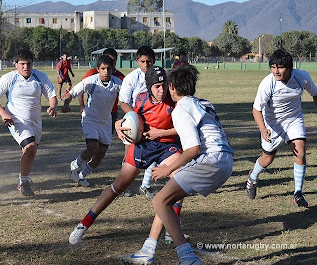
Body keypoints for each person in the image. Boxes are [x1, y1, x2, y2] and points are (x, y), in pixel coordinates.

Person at [122, 64, 233, 265]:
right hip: (226, 160)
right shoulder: (204, 103)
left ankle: (187, 257)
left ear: (171, 87)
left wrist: (168, 168)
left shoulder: (180, 109)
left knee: (159, 201)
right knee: (166, 198)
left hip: (210, 161)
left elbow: (194, 149)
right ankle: (148, 250)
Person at [68, 66, 182, 248]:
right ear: (149, 87)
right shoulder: (142, 100)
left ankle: (171, 228)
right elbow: (132, 118)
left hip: (168, 145)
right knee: (117, 187)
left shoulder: (175, 100)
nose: (162, 90)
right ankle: (84, 224)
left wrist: (161, 132)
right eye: (157, 86)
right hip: (144, 146)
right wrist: (120, 124)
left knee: (178, 179)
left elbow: (185, 127)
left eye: (164, 85)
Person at [246, 49, 317, 207]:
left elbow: (315, 94)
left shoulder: (301, 77)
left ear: (290, 68)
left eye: (280, 67)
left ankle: (298, 193)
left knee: (300, 150)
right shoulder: (267, 83)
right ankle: (253, 177)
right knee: (267, 159)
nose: (276, 71)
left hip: (293, 120)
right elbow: (256, 109)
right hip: (272, 124)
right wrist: (263, 130)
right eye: (273, 67)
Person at [0, 49, 57, 197]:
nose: (26, 67)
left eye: (29, 64)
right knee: (30, 147)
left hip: (36, 122)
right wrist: (4, 114)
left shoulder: (40, 76)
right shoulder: (9, 78)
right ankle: (24, 182)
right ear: (16, 64)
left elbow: (51, 95)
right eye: (22, 64)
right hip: (16, 120)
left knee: (29, 152)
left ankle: (22, 179)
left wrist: (52, 106)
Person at [62, 55, 121, 187]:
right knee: (93, 148)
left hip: (106, 122)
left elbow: (129, 97)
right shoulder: (90, 81)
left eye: (109, 69)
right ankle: (75, 164)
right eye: (103, 68)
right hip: (90, 120)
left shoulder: (117, 83)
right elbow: (71, 93)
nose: (106, 72)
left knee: (101, 153)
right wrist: (66, 104)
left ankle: (82, 175)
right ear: (97, 69)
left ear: (113, 69)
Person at [119, 45, 156, 198]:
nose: (146, 65)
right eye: (143, 61)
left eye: (149, 62)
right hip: (135, 120)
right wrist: (135, 118)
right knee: (129, 154)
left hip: (155, 118)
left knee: (155, 150)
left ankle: (146, 185)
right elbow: (123, 103)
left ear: (153, 61)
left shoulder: (160, 75)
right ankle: (124, 185)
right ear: (137, 61)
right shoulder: (131, 78)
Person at [78, 48, 125, 134]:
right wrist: (82, 105)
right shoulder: (93, 73)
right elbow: (80, 88)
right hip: (94, 112)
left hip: (111, 113)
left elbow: (126, 96)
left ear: (116, 61)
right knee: (93, 143)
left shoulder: (120, 77)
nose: (109, 62)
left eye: (112, 60)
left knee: (104, 143)